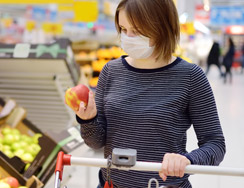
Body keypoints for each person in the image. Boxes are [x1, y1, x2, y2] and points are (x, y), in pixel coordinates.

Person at [66, 0, 226, 187]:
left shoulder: (190, 77)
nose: (128, 37)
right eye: (123, 29)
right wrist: (88, 120)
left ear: (162, 27)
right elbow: (97, 142)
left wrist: (187, 160)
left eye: (137, 30)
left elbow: (215, 145)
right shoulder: (110, 71)